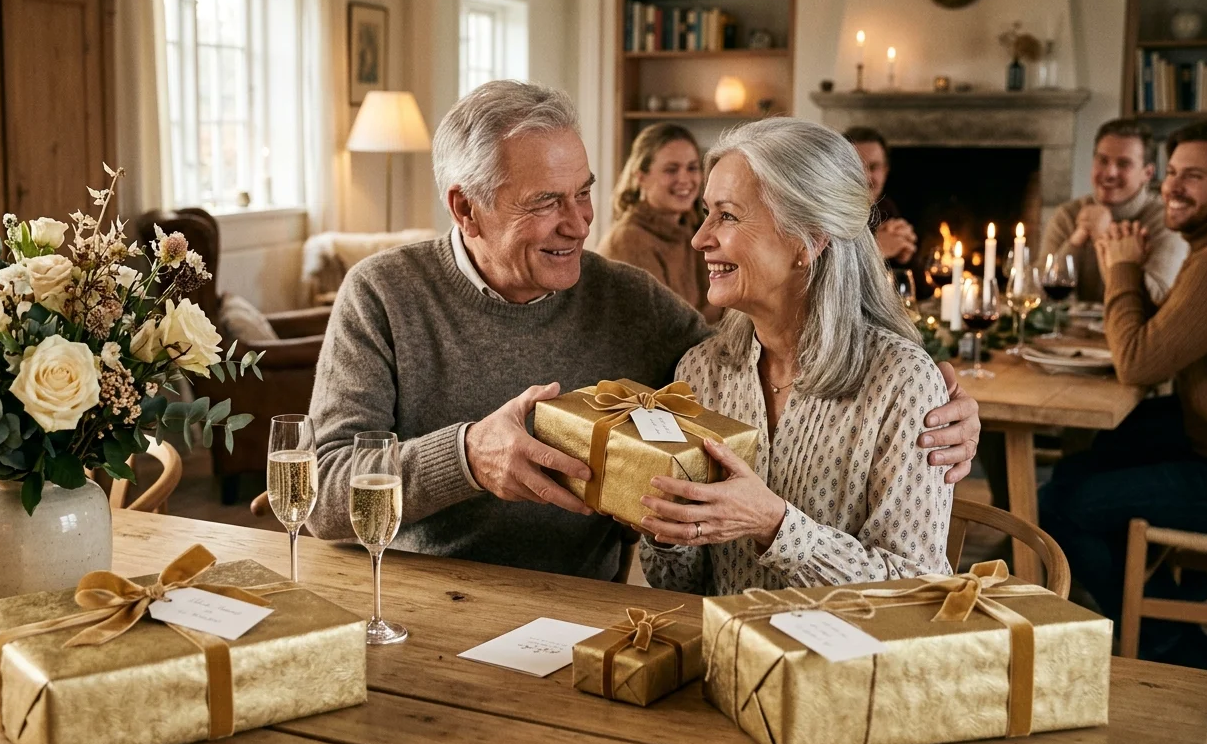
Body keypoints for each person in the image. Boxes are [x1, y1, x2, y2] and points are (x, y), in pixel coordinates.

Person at [299, 81, 980, 581]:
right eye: (545, 203)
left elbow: (771, 355)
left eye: (584, 192)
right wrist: (469, 455)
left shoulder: (637, 306)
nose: (579, 222)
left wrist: (943, 409)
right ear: (465, 209)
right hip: (415, 599)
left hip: (576, 611)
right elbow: (323, 496)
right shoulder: (383, 296)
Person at [637, 119, 954, 594]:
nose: (700, 238)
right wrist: (666, 530)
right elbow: (678, 584)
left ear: (808, 239)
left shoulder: (902, 383)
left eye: (726, 215)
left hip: (841, 664)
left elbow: (917, 593)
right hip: (720, 656)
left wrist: (775, 526)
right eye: (706, 213)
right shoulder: (702, 372)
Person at [1039, 120, 1207, 668]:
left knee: (1063, 503)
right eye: (1176, 173)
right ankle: (1134, 589)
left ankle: (1162, 635)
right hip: (1195, 427)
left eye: (1196, 176)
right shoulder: (1200, 250)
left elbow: (1137, 362)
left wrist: (1122, 268)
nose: (1176, 187)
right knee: (1074, 468)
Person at [1038, 118, 1189, 305]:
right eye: (1102, 160)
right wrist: (1077, 240)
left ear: (1147, 174)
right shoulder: (1068, 214)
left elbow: (1155, 302)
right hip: (1075, 333)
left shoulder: (1167, 220)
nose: (1109, 173)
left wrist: (1104, 235)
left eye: (1123, 164)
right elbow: (1039, 295)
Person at [599, 124, 722, 322]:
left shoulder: (692, 228)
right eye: (671, 170)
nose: (685, 179)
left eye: (692, 168)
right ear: (641, 178)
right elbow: (662, 330)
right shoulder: (627, 241)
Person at [843, 126, 918, 267]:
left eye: (873, 167)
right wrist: (875, 248)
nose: (866, 176)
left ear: (885, 171)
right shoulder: (826, 212)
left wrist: (905, 256)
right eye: (857, 167)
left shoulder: (887, 208)